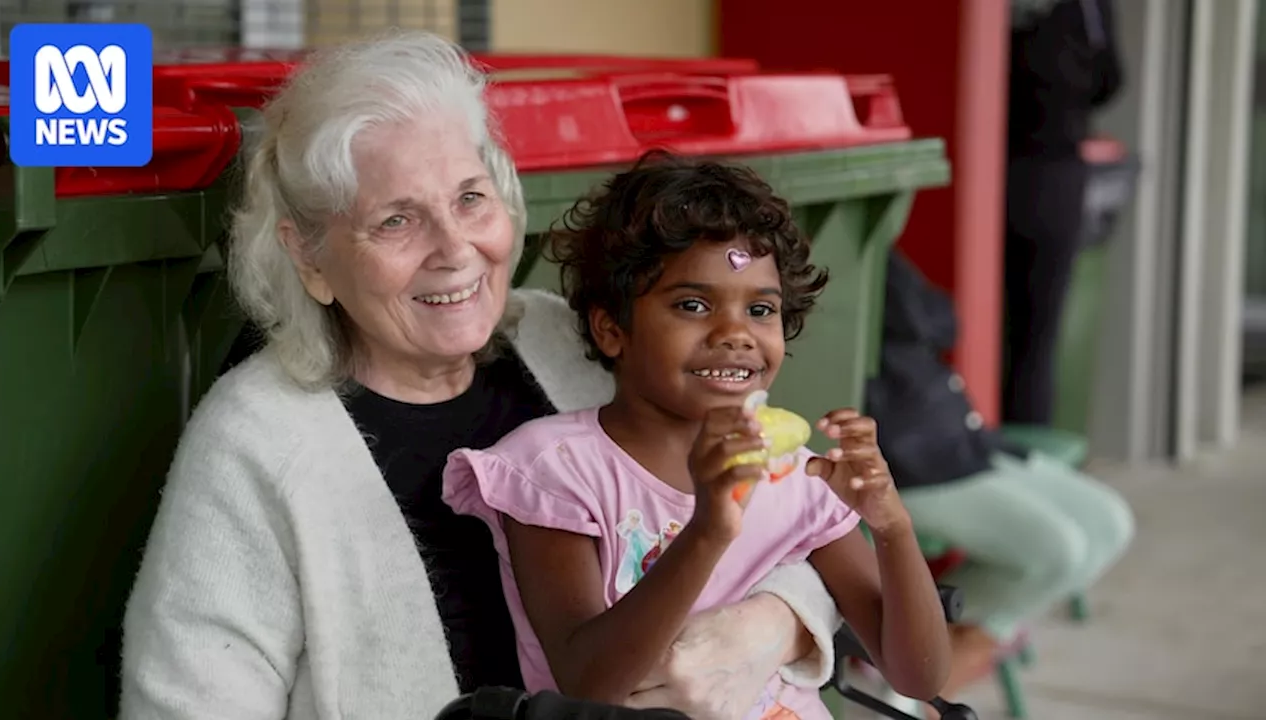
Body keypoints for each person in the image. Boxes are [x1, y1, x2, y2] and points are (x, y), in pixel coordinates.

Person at [118, 30, 848, 720]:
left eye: (470, 198)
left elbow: (781, 526)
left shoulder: (569, 346)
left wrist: (771, 625)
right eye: (396, 221)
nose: (454, 250)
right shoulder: (257, 443)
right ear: (309, 257)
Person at [441, 153, 953, 719]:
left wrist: (892, 527)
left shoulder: (796, 478)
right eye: (693, 304)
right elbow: (587, 689)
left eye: (761, 309)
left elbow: (918, 675)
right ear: (612, 329)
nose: (735, 333)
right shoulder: (555, 472)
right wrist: (709, 529)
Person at [867, 249, 1134, 708]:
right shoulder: (796, 264)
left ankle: (943, 655)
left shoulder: (870, 245)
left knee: (1108, 521)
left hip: (964, 438)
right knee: (1056, 550)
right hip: (906, 462)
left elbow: (939, 319)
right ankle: (916, 671)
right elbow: (922, 318)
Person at [1003, 0, 1123, 425]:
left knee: (990, 332)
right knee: (1037, 340)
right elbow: (1110, 78)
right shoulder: (1086, 10)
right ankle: (1031, 452)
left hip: (996, 162)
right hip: (1055, 169)